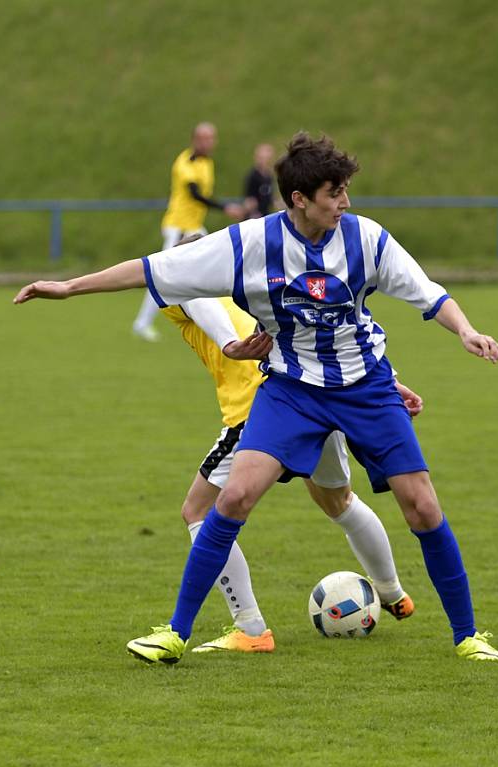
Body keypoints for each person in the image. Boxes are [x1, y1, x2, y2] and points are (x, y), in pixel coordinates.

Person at [14, 131, 498, 663]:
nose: (345, 202)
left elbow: (428, 293)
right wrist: (68, 287)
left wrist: (465, 330)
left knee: (422, 507)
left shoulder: (366, 239)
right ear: (299, 199)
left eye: (345, 191)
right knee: (233, 498)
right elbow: (154, 269)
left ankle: (468, 637)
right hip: (291, 392)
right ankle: (176, 634)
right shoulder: (249, 244)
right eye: (333, 193)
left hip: (366, 387)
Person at [156, 260, 417, 654]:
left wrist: (229, 344)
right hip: (314, 392)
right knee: (338, 501)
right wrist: (388, 380)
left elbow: (200, 302)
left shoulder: (184, 286)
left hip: (262, 408)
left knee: (197, 510)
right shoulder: (251, 290)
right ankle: (393, 592)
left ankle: (250, 628)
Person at [131, 122, 243, 342]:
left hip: (193, 226)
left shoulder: (207, 162)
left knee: (215, 263)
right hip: (179, 227)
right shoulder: (185, 162)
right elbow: (195, 194)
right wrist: (226, 208)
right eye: (204, 138)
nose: (208, 142)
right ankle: (142, 322)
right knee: (160, 273)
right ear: (194, 139)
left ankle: (222, 317)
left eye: (211, 138)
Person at [242, 143, 278, 218]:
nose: (264, 161)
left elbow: (268, 195)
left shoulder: (269, 176)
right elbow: (249, 199)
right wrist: (253, 211)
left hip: (266, 215)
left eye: (267, 158)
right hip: (255, 216)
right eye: (261, 158)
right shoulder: (253, 176)